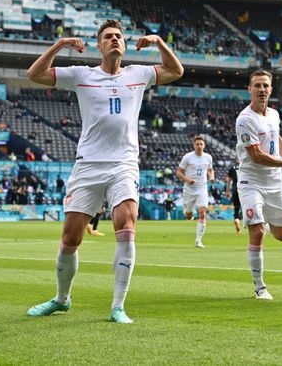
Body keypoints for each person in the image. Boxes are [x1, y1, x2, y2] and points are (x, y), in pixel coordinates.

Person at [25, 19, 183, 323]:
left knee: (126, 225)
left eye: (119, 37)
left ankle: (117, 306)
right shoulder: (82, 75)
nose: (115, 40)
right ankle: (62, 299)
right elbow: (35, 74)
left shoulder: (138, 74)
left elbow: (176, 71)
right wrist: (59, 46)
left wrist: (160, 43)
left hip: (124, 163)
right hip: (88, 164)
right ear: (99, 45)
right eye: (108, 37)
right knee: (71, 239)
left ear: (124, 44)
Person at [236, 69, 282, 300]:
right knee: (257, 232)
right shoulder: (245, 119)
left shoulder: (274, 114)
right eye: (257, 85)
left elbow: (276, 138)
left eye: (265, 86)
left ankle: (266, 224)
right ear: (249, 89)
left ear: (271, 89)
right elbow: (257, 156)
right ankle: (260, 287)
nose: (262, 90)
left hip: (274, 183)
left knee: (281, 235)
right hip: (251, 181)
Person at [176, 135, 215, 248]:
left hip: (202, 188)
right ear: (194, 145)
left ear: (204, 145)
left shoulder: (208, 157)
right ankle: (188, 211)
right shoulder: (188, 157)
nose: (199, 146)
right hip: (189, 189)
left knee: (202, 213)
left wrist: (211, 177)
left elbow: (210, 170)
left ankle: (198, 240)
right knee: (189, 215)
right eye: (197, 144)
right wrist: (188, 180)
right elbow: (179, 172)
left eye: (201, 144)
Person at [225, 163, 242, 234]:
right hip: (245, 189)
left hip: (235, 189)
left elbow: (228, 180)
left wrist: (227, 191)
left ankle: (237, 219)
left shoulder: (233, 167)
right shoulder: (246, 165)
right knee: (247, 208)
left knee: (236, 208)